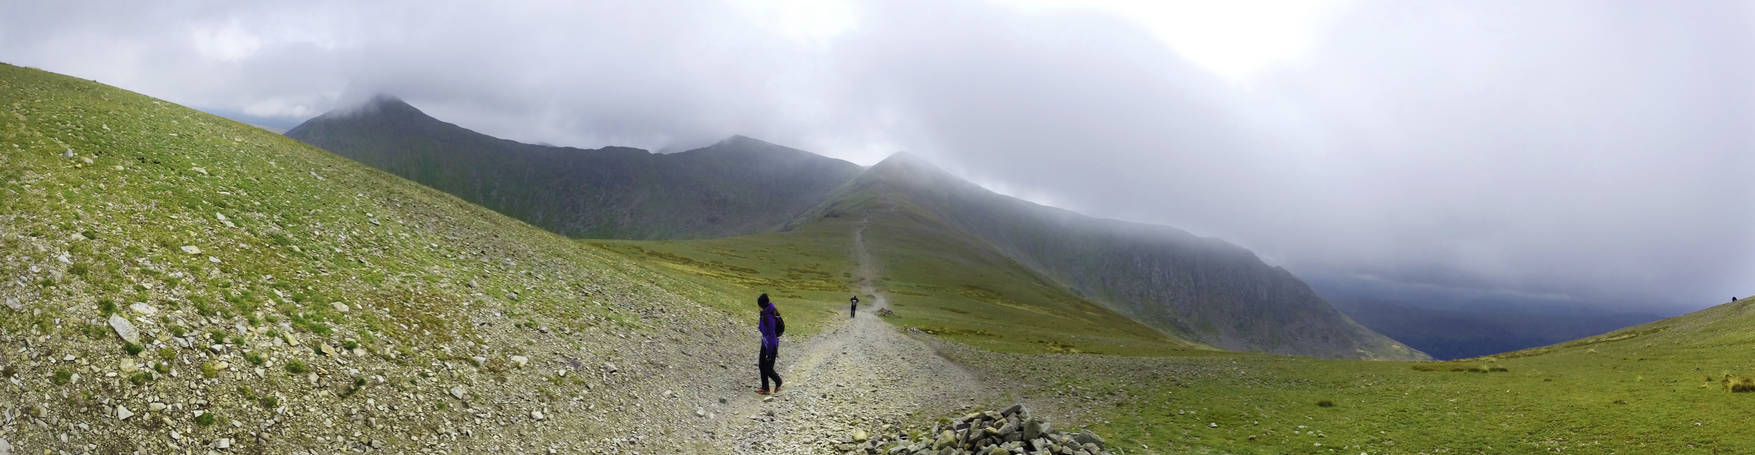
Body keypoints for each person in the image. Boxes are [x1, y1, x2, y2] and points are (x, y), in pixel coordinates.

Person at [756, 293, 783, 395]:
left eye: (758, 304)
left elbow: (772, 335)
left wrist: (770, 351)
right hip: (765, 342)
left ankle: (778, 382)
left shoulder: (769, 316)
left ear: (762, 305)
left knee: (768, 368)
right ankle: (765, 388)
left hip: (771, 345)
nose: (757, 306)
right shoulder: (764, 312)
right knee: (761, 365)